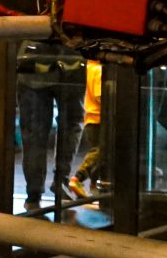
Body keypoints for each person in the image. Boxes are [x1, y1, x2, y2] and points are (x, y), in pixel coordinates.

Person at [16, 52, 83, 211]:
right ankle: (61, 181)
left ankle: (33, 194)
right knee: (72, 124)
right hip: (72, 60)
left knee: (34, 132)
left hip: (32, 61)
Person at [65, 61, 105, 199]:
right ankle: (78, 178)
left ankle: (95, 186)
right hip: (99, 119)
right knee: (101, 150)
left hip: (90, 119)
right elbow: (101, 96)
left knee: (100, 154)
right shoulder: (99, 70)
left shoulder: (88, 67)